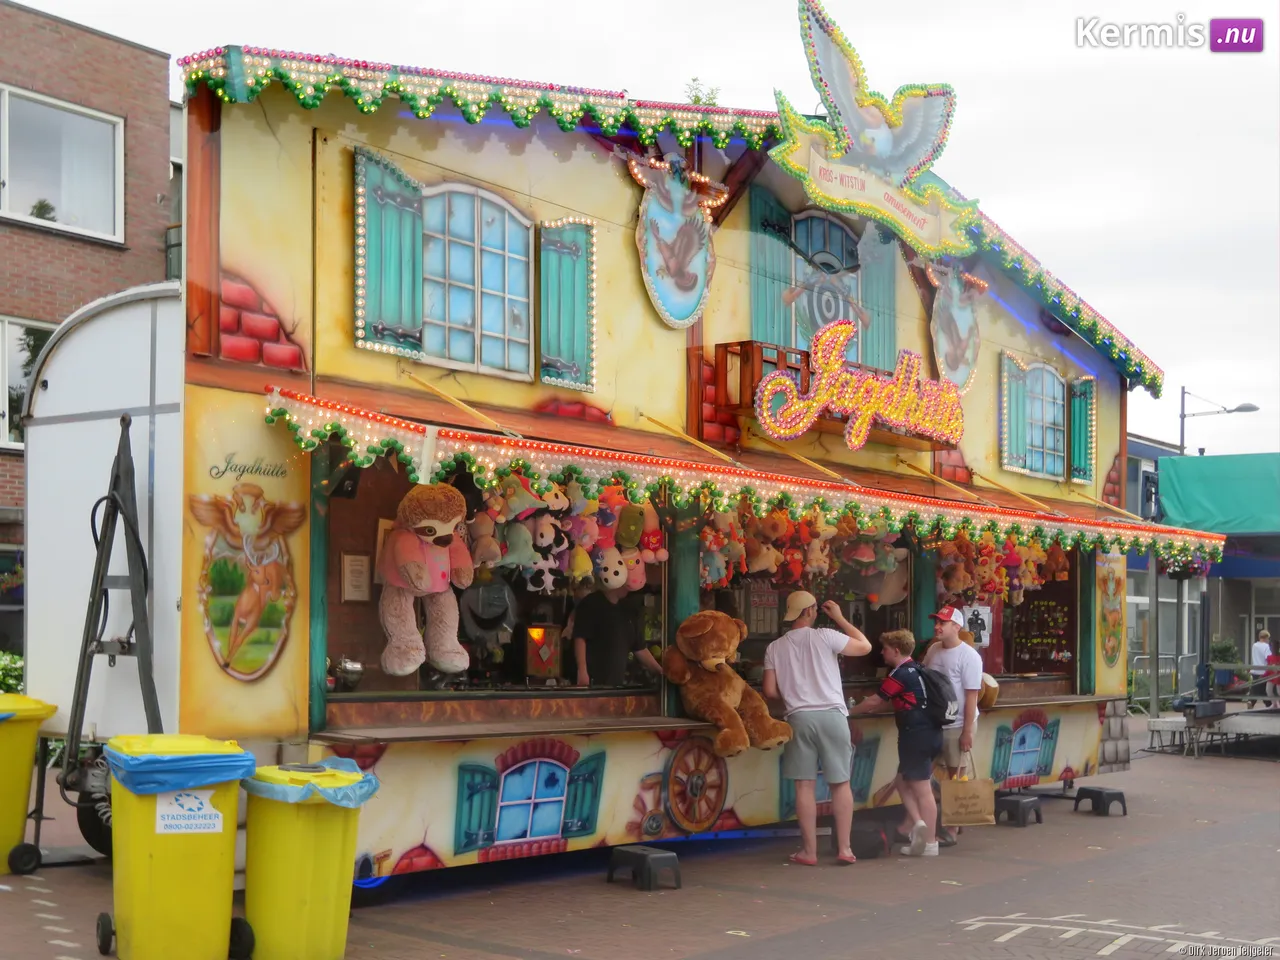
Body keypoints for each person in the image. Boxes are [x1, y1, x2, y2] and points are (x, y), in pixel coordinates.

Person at [762, 591, 871, 866]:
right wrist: (840, 618)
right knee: (840, 783)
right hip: (832, 715)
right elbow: (865, 646)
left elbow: (769, 690)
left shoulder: (775, 648)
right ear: (810, 611)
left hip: (798, 717)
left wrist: (793, 692)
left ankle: (809, 852)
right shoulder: (825, 636)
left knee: (804, 786)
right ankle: (844, 849)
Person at [850, 629, 941, 857]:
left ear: (896, 650)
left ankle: (930, 842)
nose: (882, 653)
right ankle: (917, 823)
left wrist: (847, 711)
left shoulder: (901, 674)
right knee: (901, 780)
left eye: (886, 649)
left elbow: (873, 701)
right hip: (930, 733)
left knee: (922, 788)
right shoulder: (919, 669)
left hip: (916, 735)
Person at [922, 606, 984, 845]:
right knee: (924, 772)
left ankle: (952, 828)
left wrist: (967, 731)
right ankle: (936, 819)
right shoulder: (934, 650)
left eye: (943, 623)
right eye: (936, 622)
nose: (938, 626)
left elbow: (971, 696)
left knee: (955, 775)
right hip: (935, 722)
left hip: (958, 723)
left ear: (956, 627)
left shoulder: (969, 656)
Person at [573, 585, 661, 687]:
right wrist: (582, 672)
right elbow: (580, 637)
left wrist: (659, 671)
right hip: (593, 684)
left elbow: (639, 648)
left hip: (617, 685)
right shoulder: (591, 603)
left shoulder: (628, 608)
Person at [1249, 629, 1272, 708]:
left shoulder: (1254, 645)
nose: (1268, 640)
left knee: (1255, 688)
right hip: (1263, 672)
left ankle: (1251, 702)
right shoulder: (1266, 646)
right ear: (1265, 638)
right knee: (1264, 690)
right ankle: (1268, 704)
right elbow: (1268, 658)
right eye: (1268, 638)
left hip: (1255, 670)